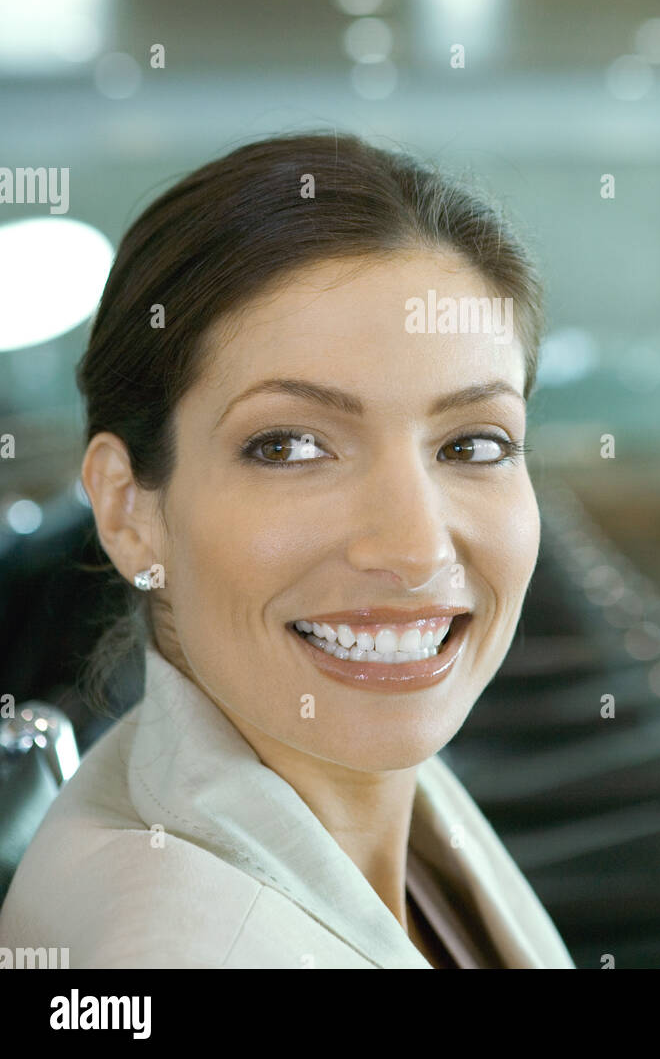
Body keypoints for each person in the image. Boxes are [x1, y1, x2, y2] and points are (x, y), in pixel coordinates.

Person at [0, 130, 575, 969]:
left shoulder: (360, 793)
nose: (414, 551)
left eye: (472, 445)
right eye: (290, 447)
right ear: (128, 511)